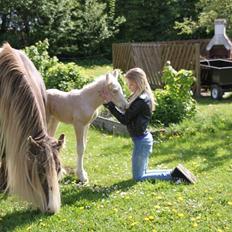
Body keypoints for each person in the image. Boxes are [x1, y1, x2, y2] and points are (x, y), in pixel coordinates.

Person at [100, 67, 196, 184]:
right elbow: (127, 113)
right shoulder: (139, 96)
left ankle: (173, 175)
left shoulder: (141, 100)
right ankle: (175, 172)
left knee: (138, 177)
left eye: (130, 84)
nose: (129, 87)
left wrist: (110, 105)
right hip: (142, 140)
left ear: (138, 82)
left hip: (142, 142)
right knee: (143, 173)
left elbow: (125, 119)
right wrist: (109, 102)